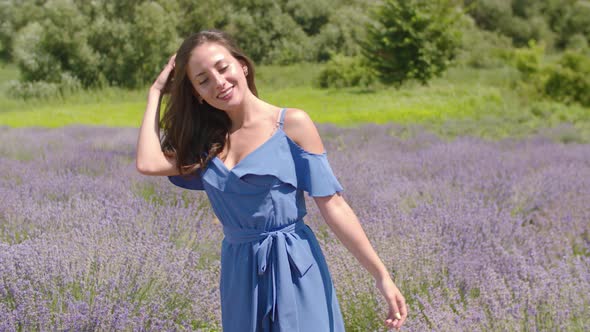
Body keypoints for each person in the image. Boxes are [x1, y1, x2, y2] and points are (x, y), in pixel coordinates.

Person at [136, 30, 407, 331]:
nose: (219, 83)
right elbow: (147, 163)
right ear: (196, 94)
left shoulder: (291, 125)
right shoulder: (205, 144)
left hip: (295, 269)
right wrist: (155, 91)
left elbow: (334, 206)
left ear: (243, 66)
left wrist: (382, 276)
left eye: (223, 68)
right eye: (203, 80)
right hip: (240, 277)